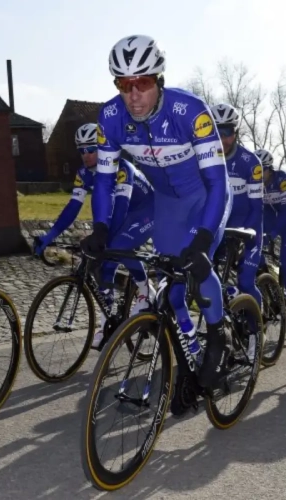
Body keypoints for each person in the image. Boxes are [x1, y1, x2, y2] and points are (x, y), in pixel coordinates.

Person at [80, 34, 233, 395]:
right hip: (167, 203)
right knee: (173, 293)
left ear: (159, 80)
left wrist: (204, 238)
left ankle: (218, 337)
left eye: (143, 83)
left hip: (205, 197)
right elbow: (103, 181)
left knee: (197, 266)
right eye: (124, 84)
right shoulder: (111, 117)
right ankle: (189, 357)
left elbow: (218, 182)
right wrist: (100, 228)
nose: (133, 95)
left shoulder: (190, 112)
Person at [33, 123, 157, 349]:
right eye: (81, 151)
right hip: (124, 212)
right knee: (105, 267)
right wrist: (49, 236)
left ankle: (145, 289)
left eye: (91, 149)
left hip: (146, 210)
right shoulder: (83, 174)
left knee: (118, 244)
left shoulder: (121, 167)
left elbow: (120, 208)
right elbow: (72, 208)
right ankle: (106, 325)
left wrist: (104, 239)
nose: (86, 156)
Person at [211, 103, 264, 309]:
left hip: (248, 227)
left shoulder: (250, 162)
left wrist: (244, 235)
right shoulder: (204, 158)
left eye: (228, 132)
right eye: (217, 132)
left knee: (245, 282)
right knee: (207, 278)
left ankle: (256, 333)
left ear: (236, 133)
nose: (223, 139)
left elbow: (256, 207)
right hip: (219, 227)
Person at [255, 148, 286, 333]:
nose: (260, 175)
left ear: (270, 169)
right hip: (268, 220)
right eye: (257, 171)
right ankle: (272, 291)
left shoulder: (283, 180)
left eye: (263, 171)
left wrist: (274, 234)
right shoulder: (255, 182)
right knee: (256, 253)